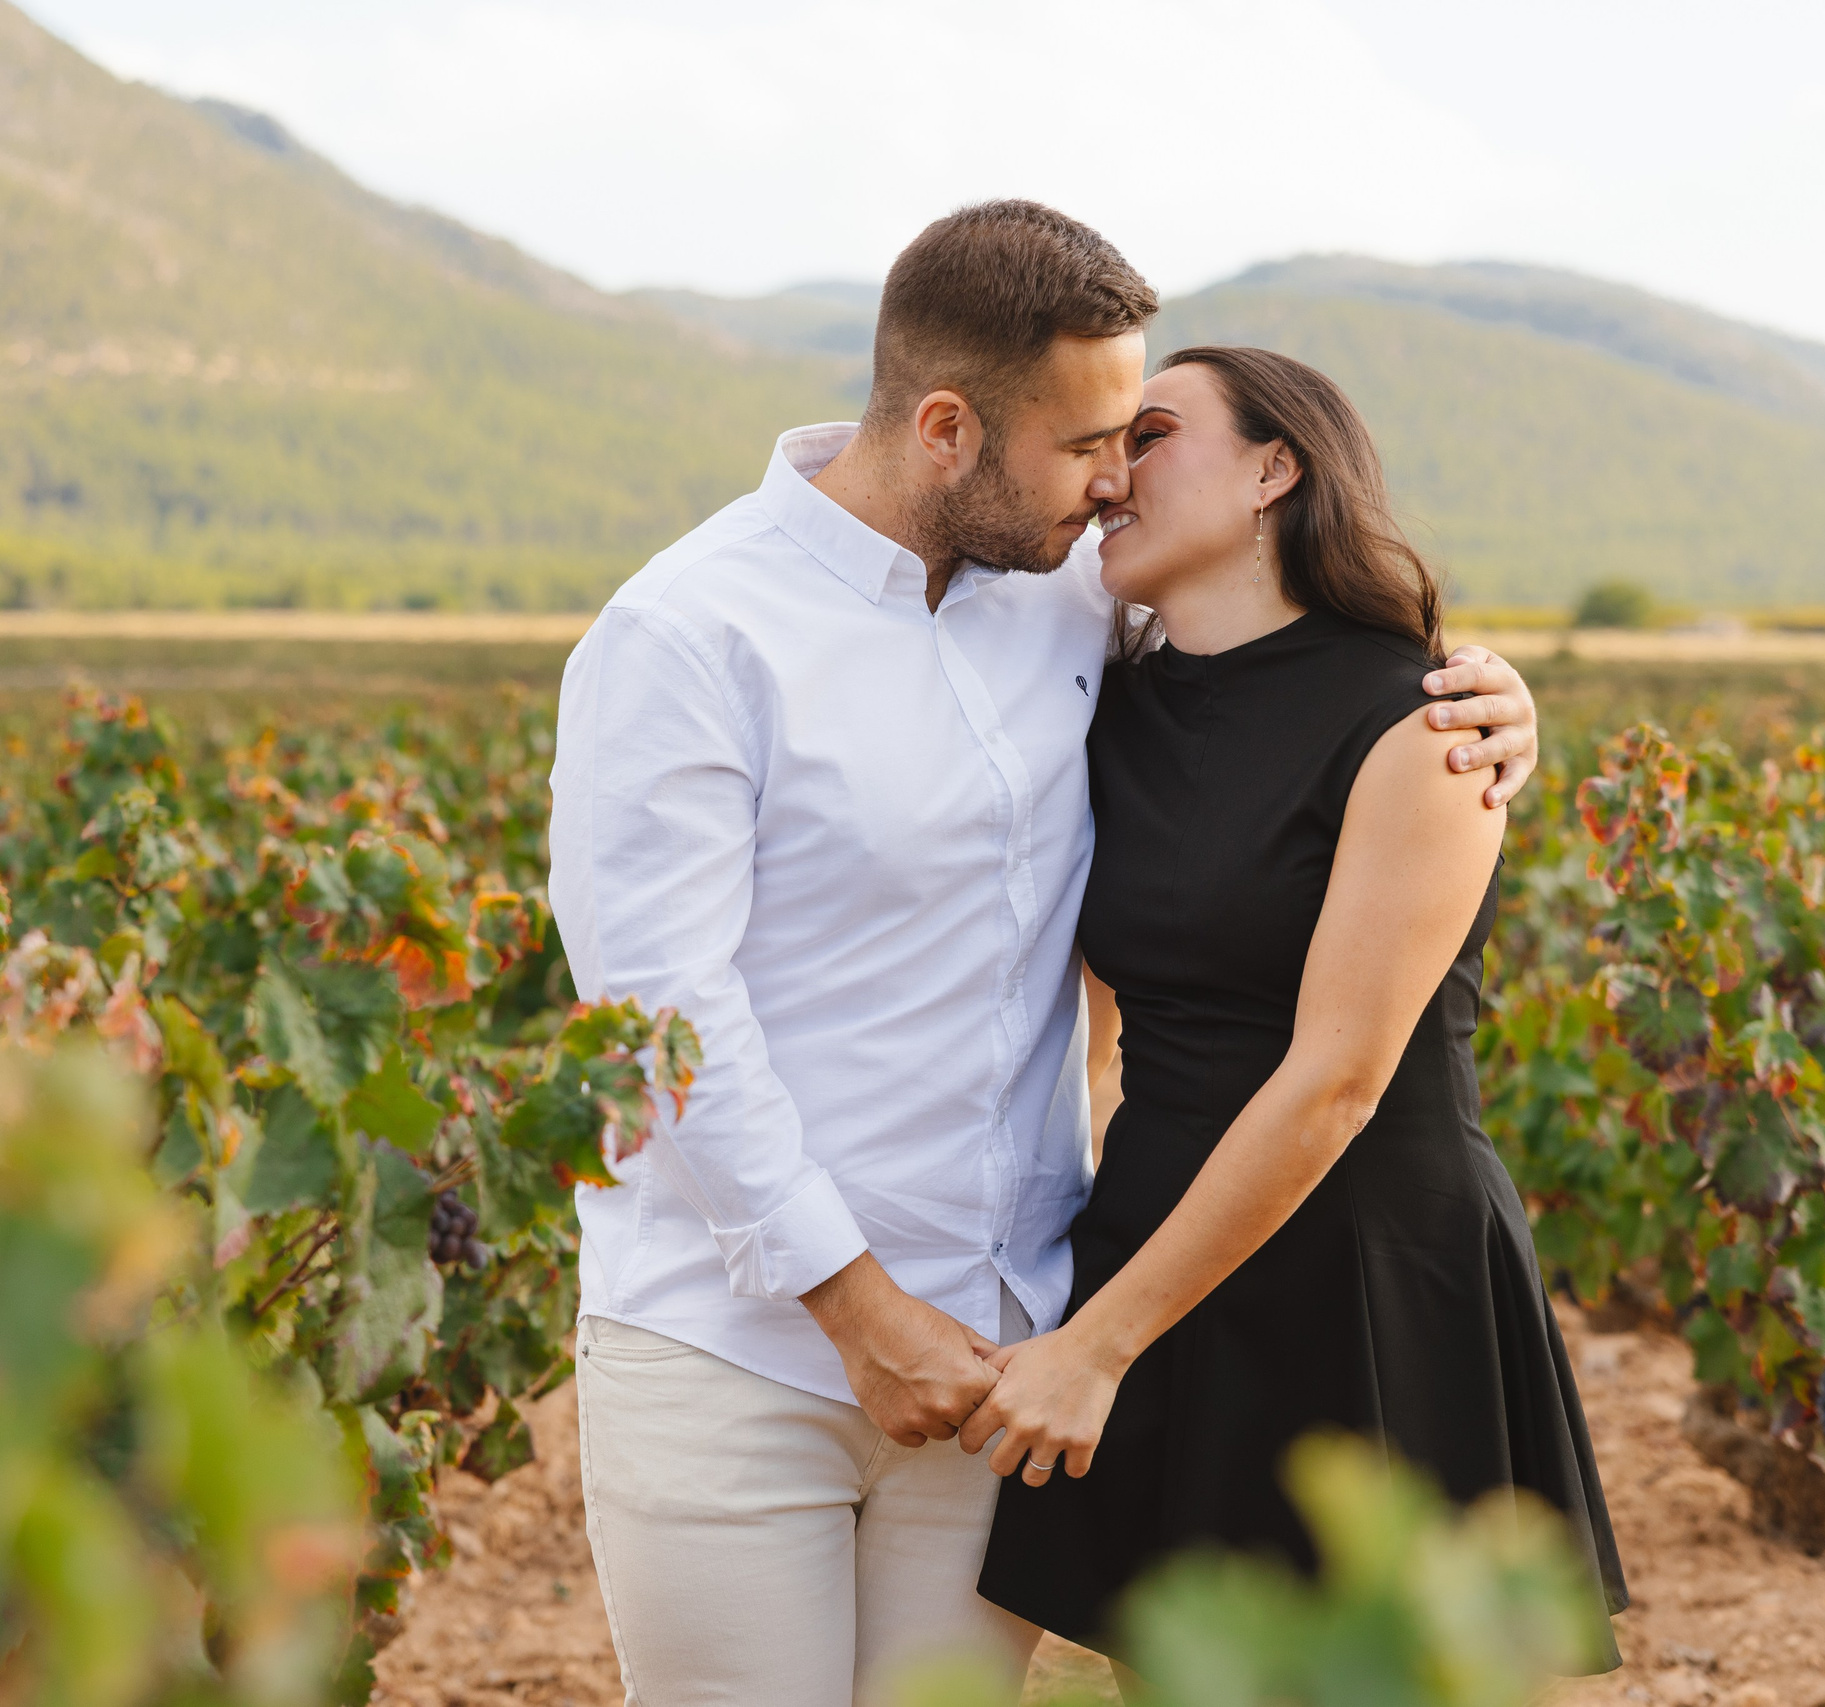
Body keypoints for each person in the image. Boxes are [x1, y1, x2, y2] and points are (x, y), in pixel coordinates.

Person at [548, 202, 1546, 1707]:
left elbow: (1283, 666)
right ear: (948, 428)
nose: (1114, 482)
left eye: (1138, 443)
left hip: (1003, 1342)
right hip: (737, 1343)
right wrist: (858, 1309)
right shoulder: (689, 635)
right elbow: (657, 1019)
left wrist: (1492, 702)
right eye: (1092, 443)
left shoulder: (1073, 592)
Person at [968, 345, 1626, 1675]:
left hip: (1366, 1263)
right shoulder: (1111, 708)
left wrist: (1100, 1341)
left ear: (1274, 469)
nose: (1111, 476)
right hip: (1165, 1237)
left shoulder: (1424, 722)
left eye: (1149, 433)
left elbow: (1338, 1078)